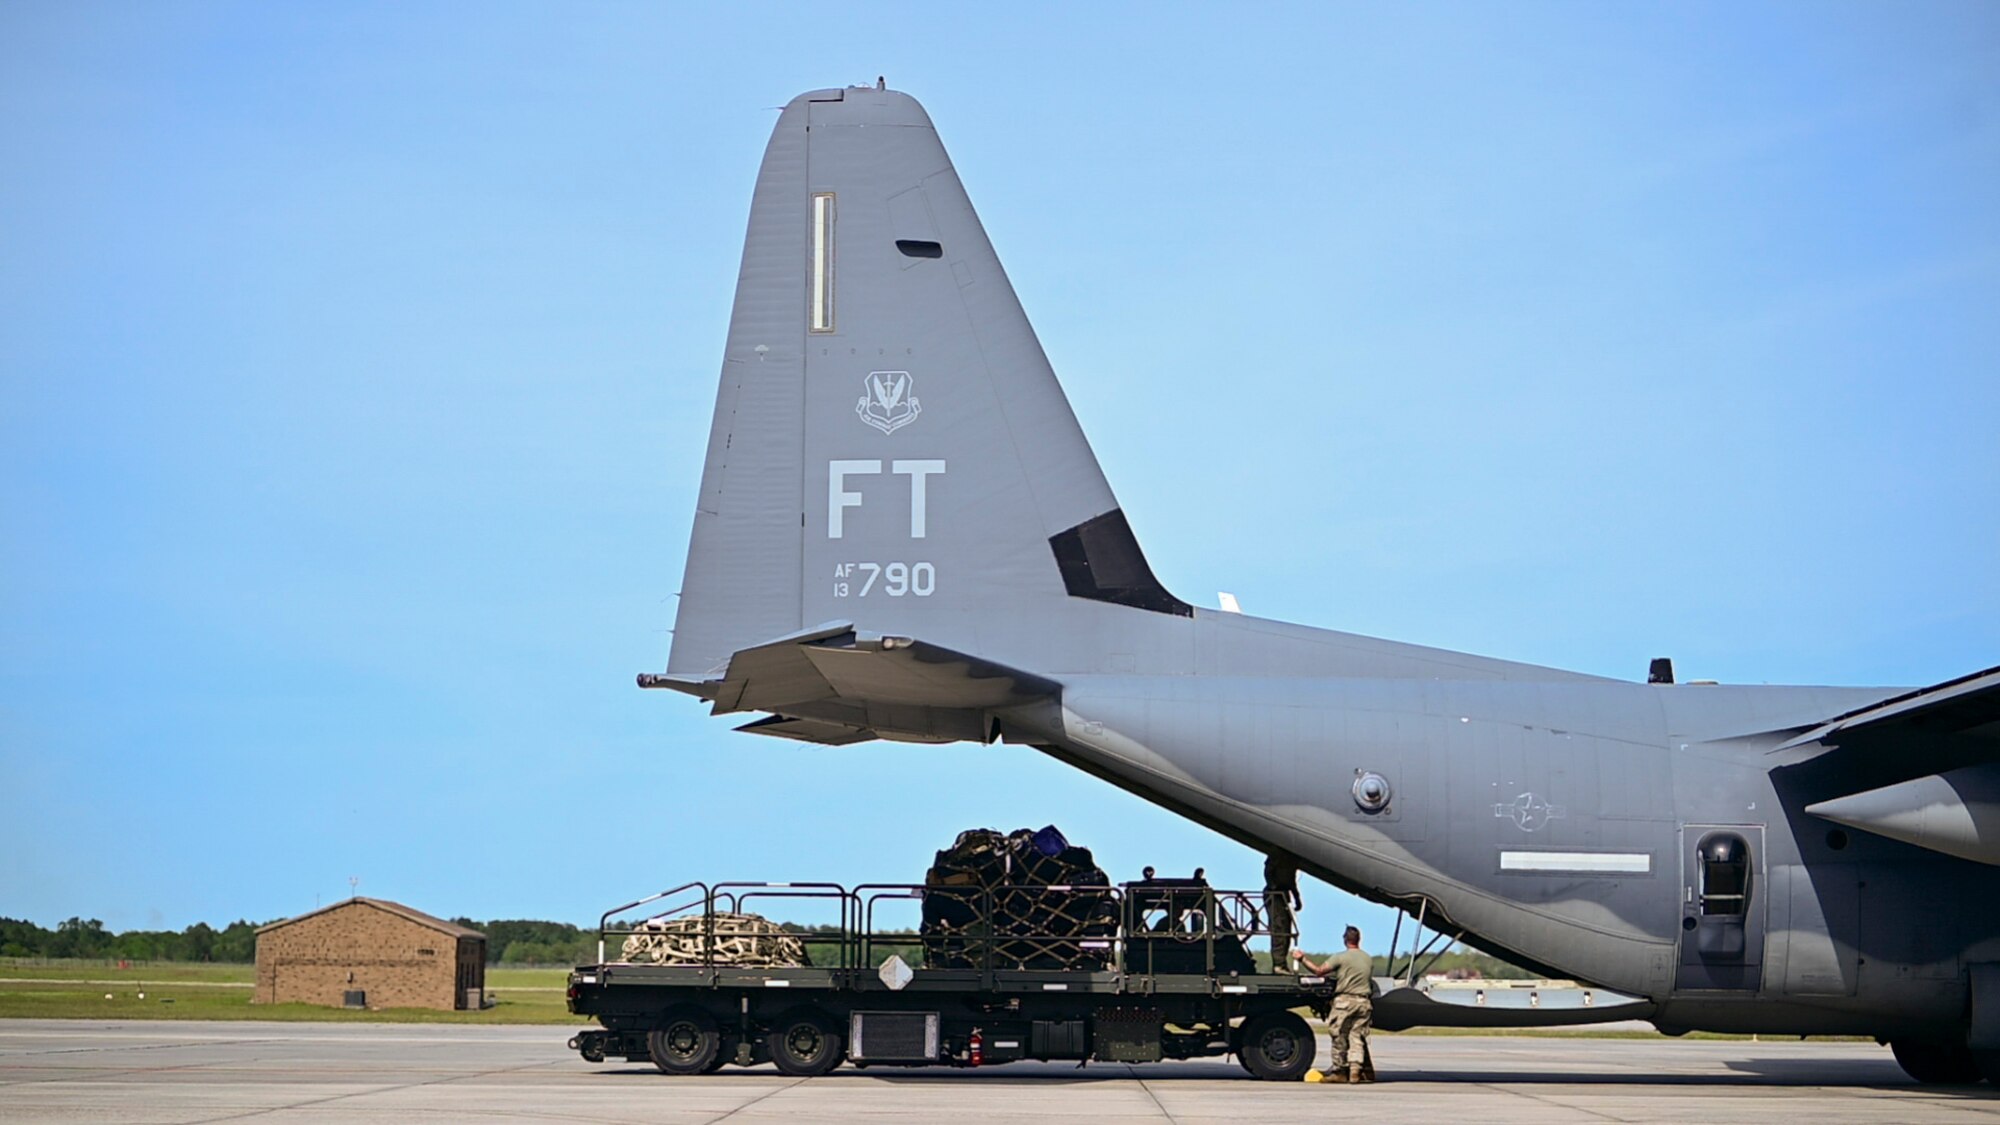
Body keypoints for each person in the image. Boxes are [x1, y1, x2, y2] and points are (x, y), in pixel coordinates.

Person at [1292, 925, 1376, 1083]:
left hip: (1345, 1001)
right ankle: (1355, 1070)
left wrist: (1302, 958)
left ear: (1345, 940)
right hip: (1364, 1002)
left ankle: (1340, 1071)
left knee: (1338, 1036)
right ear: (1359, 940)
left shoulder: (1340, 957)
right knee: (1356, 1036)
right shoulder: (1367, 958)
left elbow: (1319, 971)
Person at [1262, 854, 1301, 968]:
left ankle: (1281, 963)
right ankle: (1279, 964)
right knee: (1279, 928)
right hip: (1274, 895)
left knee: (1285, 930)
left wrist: (1297, 898)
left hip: (1283, 894)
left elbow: (1291, 881)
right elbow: (1268, 870)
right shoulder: (1278, 855)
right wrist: (1272, 886)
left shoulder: (1292, 859)